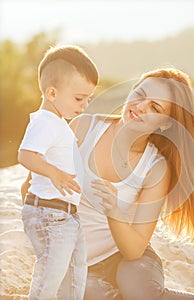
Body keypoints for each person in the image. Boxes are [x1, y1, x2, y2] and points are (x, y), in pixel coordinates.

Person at [69, 68, 194, 300]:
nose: (139, 107)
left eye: (155, 107)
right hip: (80, 263)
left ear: (166, 124)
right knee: (91, 293)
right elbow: (33, 186)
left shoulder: (155, 167)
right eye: (140, 94)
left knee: (141, 294)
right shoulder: (83, 128)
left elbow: (134, 250)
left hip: (127, 257)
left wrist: (115, 211)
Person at [18, 44, 99, 299]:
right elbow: (26, 154)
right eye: (78, 98)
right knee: (49, 277)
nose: (84, 104)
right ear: (52, 93)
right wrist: (55, 173)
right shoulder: (45, 121)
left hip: (67, 215)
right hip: (50, 213)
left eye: (88, 98)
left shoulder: (59, 123)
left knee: (75, 274)